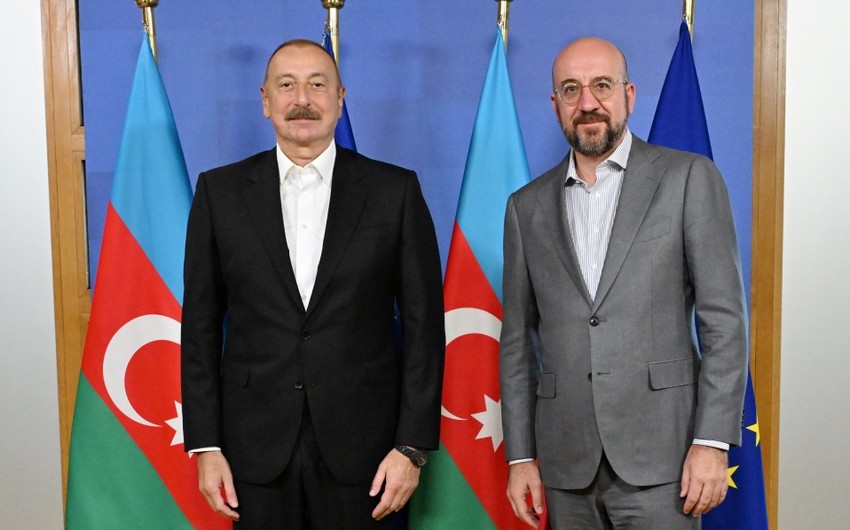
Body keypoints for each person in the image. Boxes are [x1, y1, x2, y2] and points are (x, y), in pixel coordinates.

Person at [181, 39, 445, 529]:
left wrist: (412, 447)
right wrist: (206, 445)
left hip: (369, 454)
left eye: (317, 85)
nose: (302, 99)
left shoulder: (395, 191)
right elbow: (198, 328)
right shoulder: (219, 193)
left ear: (340, 99)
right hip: (253, 452)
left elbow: (424, 327)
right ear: (265, 101)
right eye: (287, 85)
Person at [499, 37, 748, 529]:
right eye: (571, 89)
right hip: (566, 465)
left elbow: (724, 322)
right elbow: (517, 344)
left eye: (602, 85)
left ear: (628, 95)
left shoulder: (688, 178)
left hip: (666, 461)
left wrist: (712, 441)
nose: (587, 102)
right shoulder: (525, 206)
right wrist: (520, 456)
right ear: (555, 103)